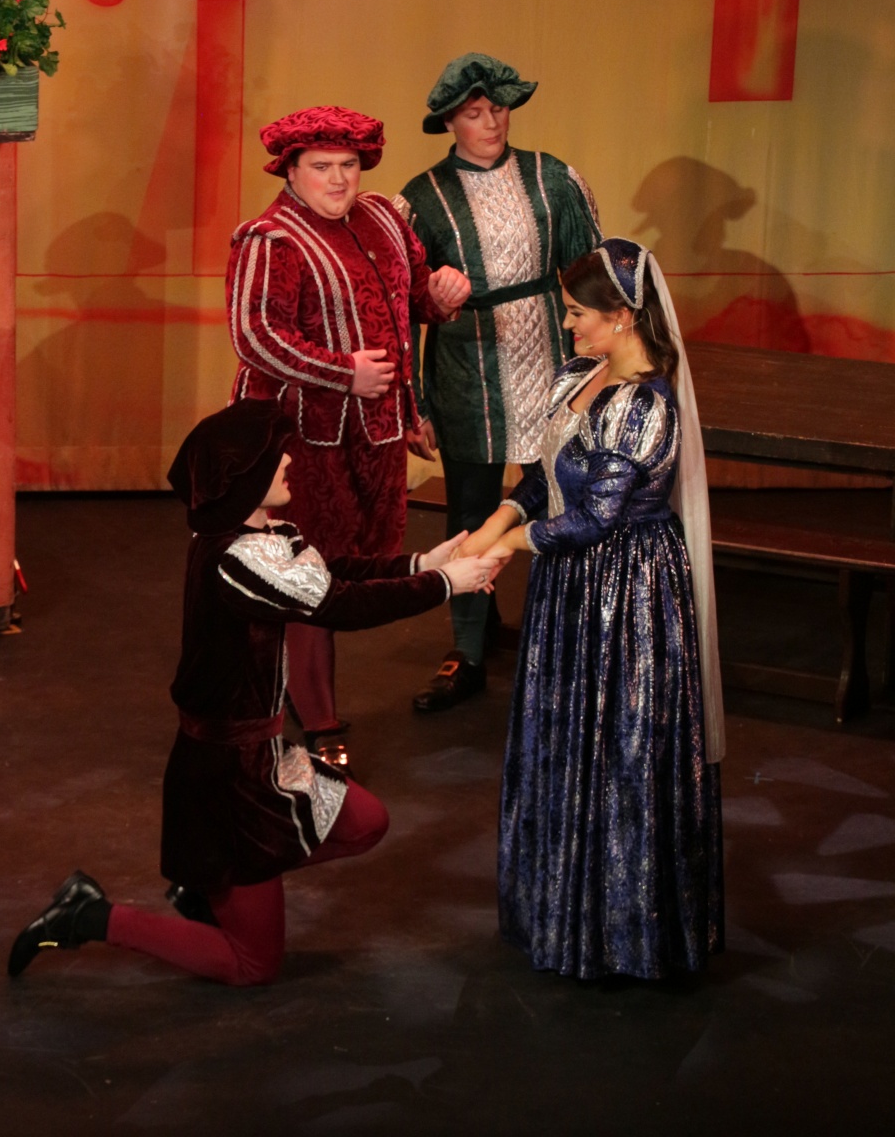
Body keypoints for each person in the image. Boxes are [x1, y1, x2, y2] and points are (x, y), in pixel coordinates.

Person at [7, 399, 498, 987]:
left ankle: (210, 887)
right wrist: (443, 584)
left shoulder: (262, 536)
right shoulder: (235, 560)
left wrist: (420, 562)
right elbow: (339, 605)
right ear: (241, 477)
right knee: (254, 965)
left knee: (366, 822)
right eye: (274, 456)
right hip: (228, 779)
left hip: (262, 758)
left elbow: (332, 574)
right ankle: (90, 915)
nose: (289, 460)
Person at [463, 238, 725, 980]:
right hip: (569, 588)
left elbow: (595, 519)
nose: (569, 324)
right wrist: (485, 532)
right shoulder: (578, 375)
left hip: (626, 593)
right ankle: (560, 914)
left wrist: (506, 549)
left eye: (579, 313)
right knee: (565, 740)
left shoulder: (646, 406)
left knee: (619, 750)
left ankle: (620, 935)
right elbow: (542, 482)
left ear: (623, 316)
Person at [226, 105, 470, 769]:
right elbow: (255, 336)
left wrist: (443, 296)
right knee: (305, 573)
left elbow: (408, 305)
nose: (338, 179)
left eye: (349, 165)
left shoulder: (384, 218)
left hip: (375, 434)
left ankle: (302, 697)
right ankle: (318, 717)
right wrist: (343, 373)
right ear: (291, 171)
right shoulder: (270, 239)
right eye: (322, 167)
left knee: (350, 570)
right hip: (298, 441)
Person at [394, 53, 601, 712]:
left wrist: (600, 367)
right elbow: (399, 308)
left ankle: (565, 641)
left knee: (564, 501)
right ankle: (469, 649)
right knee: (472, 508)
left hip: (548, 356)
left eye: (498, 109)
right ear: (449, 121)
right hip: (467, 367)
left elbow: (590, 274)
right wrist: (413, 402)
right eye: (474, 113)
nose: (490, 123)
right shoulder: (423, 198)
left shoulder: (552, 178)